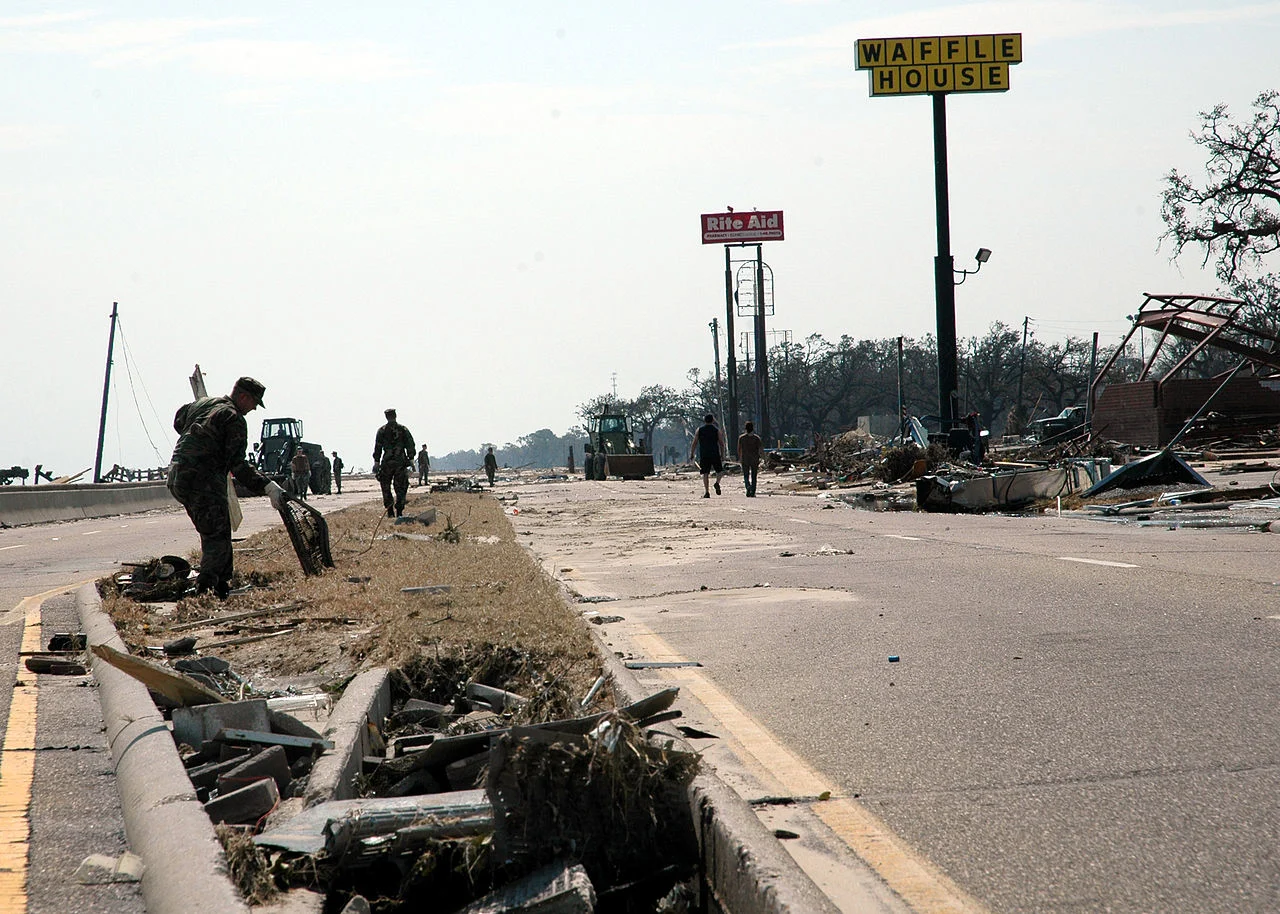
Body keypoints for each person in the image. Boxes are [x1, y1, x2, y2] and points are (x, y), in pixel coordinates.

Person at [167, 376, 286, 599]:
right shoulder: (233, 418)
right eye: (253, 404)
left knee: (217, 527)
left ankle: (222, 583)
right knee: (216, 536)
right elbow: (238, 465)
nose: (253, 409)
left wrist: (201, 442)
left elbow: (179, 421)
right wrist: (267, 486)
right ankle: (207, 590)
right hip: (202, 479)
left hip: (178, 475)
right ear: (243, 397)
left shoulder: (205, 404)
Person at [372, 408, 415, 517]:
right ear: (395, 416)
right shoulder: (403, 429)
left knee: (385, 486)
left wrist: (376, 462)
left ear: (386, 417)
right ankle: (399, 510)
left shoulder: (382, 430)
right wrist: (411, 460)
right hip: (400, 462)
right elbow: (410, 445)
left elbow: (378, 448)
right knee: (401, 487)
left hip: (387, 462)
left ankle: (390, 510)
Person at [689, 414, 725, 498]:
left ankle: (707, 492)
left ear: (705, 420)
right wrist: (722, 454)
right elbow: (721, 443)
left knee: (705, 473)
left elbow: (694, 442)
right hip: (715, 453)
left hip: (704, 454)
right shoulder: (716, 430)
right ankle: (717, 483)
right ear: (712, 421)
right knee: (720, 471)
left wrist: (692, 453)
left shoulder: (700, 430)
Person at [737, 420, 763, 497]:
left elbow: (739, 449)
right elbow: (760, 449)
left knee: (746, 475)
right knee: (754, 476)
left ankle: (748, 486)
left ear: (745, 428)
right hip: (754, 459)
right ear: (752, 428)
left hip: (745, 458)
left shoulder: (741, 438)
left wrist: (740, 457)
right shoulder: (756, 438)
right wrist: (763, 457)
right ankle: (753, 491)